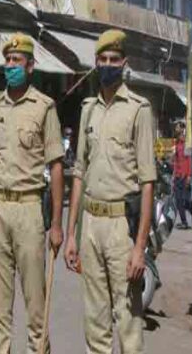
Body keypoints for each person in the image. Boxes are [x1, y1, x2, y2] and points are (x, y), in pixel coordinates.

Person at [65, 29, 156, 354]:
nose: (107, 65)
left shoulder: (138, 109)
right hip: (90, 222)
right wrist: (72, 233)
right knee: (95, 322)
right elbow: (79, 173)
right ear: (95, 63)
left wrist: (140, 247)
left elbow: (148, 183)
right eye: (102, 60)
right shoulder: (88, 108)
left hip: (121, 229)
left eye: (113, 60)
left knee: (128, 323)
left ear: (124, 63)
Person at [0, 34, 64, 354]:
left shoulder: (44, 107)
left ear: (30, 66)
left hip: (28, 210)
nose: (11, 66)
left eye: (17, 61)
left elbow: (56, 167)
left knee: (36, 308)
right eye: (8, 60)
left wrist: (56, 223)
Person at [172, 122, 192, 229]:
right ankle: (184, 222)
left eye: (177, 127)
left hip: (185, 175)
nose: (176, 129)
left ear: (182, 129)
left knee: (185, 201)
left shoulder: (186, 143)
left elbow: (189, 160)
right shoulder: (176, 143)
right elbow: (176, 160)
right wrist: (174, 174)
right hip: (177, 175)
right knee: (178, 200)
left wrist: (189, 175)